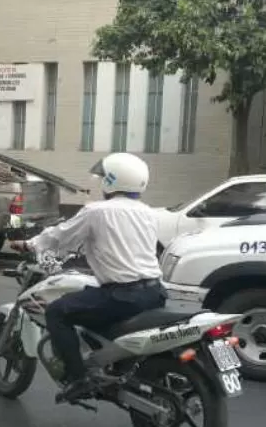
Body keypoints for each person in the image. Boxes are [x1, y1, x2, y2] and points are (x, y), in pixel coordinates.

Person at [8, 153, 166, 403]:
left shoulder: (97, 211)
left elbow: (61, 235)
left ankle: (78, 378)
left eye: (104, 177)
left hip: (123, 295)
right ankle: (112, 367)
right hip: (155, 293)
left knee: (57, 312)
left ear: (111, 181)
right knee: (95, 310)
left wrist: (29, 244)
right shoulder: (147, 213)